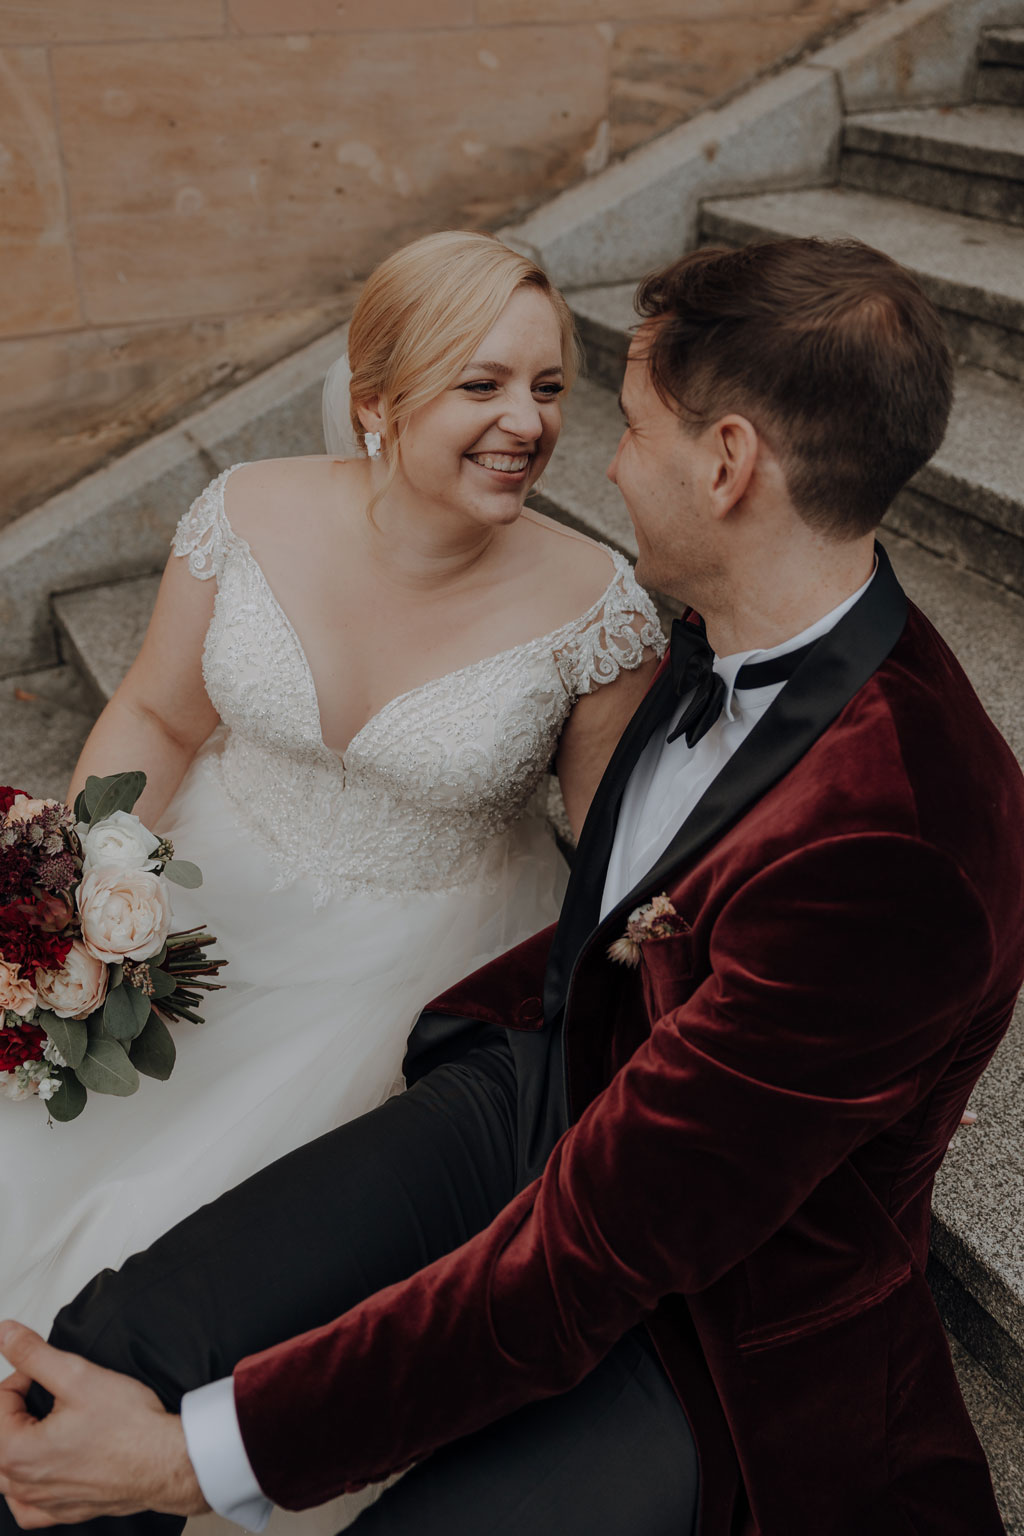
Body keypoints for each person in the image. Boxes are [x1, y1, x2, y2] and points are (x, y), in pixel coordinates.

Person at [2, 235, 1023, 1536]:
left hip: (717, 1318)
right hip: (547, 1079)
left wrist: (192, 1464)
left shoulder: (895, 836)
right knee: (107, 1346)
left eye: (625, 420)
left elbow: (582, 1266)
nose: (586, 454)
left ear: (727, 466)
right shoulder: (723, 612)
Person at [0, 230, 665, 1507]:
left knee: (204, 1244)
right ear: (377, 399)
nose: (524, 423)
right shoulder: (245, 510)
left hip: (410, 970)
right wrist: (90, 886)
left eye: (547, 388)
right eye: (482, 385)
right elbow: (156, 715)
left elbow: (628, 868)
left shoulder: (599, 610)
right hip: (199, 903)